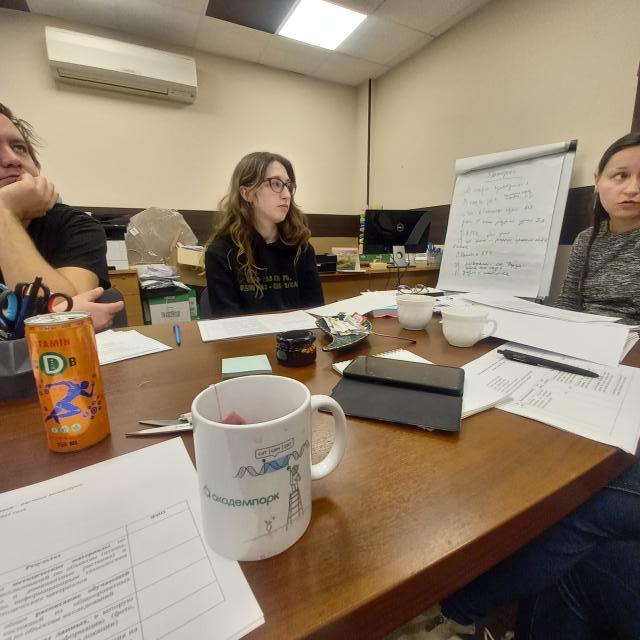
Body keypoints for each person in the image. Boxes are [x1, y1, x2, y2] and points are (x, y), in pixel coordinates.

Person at [391, 132, 640, 640]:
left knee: (578, 497)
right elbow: (567, 313)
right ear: (598, 182)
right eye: (621, 175)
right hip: (587, 372)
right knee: (510, 442)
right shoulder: (589, 240)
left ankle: (459, 610)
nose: (632, 188)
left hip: (625, 384)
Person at [0, 102, 122, 330]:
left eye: (19, 147)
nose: (12, 159)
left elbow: (62, 316)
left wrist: (3, 213)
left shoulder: (75, 226)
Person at [204, 151, 324, 318]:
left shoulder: (301, 249)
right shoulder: (221, 253)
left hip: (297, 335)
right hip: (247, 335)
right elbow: (228, 321)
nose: (287, 195)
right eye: (275, 184)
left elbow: (315, 311)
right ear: (246, 193)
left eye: (288, 186)